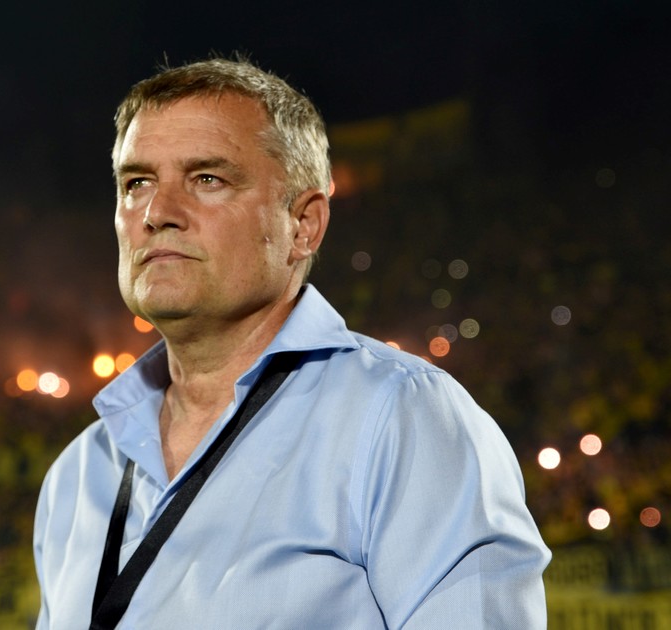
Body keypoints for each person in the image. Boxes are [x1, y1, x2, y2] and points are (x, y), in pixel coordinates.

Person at [32, 58, 551, 629]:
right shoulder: (78, 475)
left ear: (303, 226)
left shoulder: (399, 420)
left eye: (207, 179)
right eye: (137, 184)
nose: (157, 213)